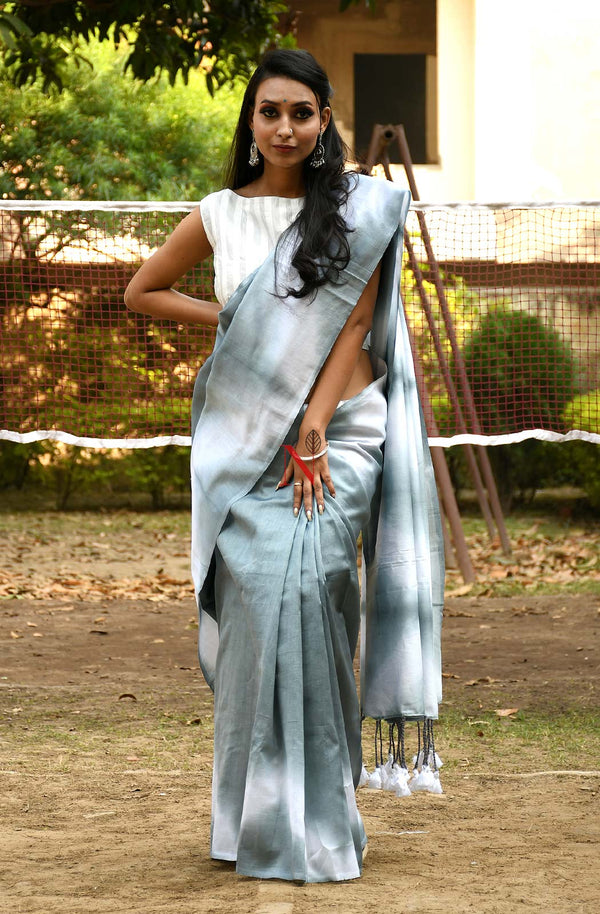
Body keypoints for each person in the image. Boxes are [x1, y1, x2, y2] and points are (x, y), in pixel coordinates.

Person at [125, 48, 444, 884]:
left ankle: (323, 813)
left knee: (313, 597)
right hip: (241, 444)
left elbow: (352, 327)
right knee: (258, 613)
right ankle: (252, 819)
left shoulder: (360, 211)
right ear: (252, 121)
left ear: (325, 119)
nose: (286, 128)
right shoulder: (221, 214)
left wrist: (310, 421)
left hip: (337, 435)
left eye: (302, 112)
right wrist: (232, 321)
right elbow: (142, 290)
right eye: (270, 112)